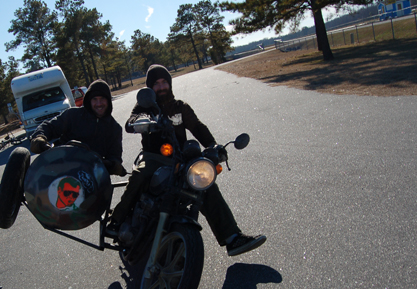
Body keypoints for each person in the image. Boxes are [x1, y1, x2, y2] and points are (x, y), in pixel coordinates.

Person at [108, 64, 266, 256]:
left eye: (164, 82)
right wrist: (143, 122)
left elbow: (197, 127)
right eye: (156, 84)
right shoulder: (146, 107)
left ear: (170, 83)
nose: (161, 86)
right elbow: (131, 121)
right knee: (140, 175)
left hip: (180, 159)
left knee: (205, 183)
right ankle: (116, 221)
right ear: (150, 88)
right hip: (154, 157)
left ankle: (232, 237)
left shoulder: (180, 107)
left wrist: (212, 146)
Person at [29, 79, 126, 176]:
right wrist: (39, 137)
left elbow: (115, 156)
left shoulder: (115, 129)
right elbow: (50, 127)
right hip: (61, 167)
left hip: (90, 174)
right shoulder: (72, 115)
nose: (99, 103)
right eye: (95, 99)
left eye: (102, 99)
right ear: (89, 100)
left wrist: (113, 165)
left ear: (109, 101)